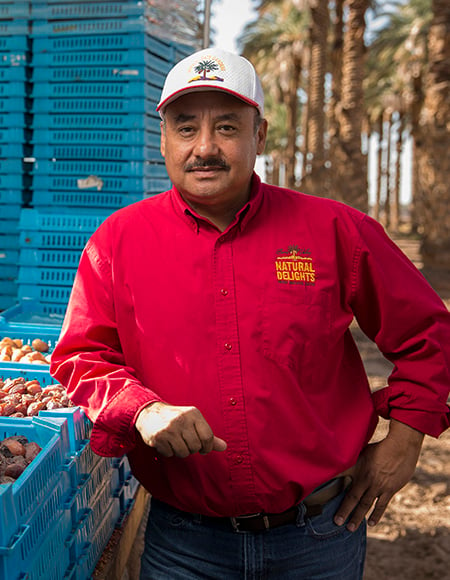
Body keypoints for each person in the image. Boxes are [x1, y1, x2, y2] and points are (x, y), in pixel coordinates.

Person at [50, 47, 450, 579]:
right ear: (164, 139)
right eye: (187, 128)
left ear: (259, 136)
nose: (206, 148)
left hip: (320, 537)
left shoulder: (335, 232)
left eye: (228, 127)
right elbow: (82, 356)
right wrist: (143, 409)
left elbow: (428, 332)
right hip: (183, 546)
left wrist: (406, 439)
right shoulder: (117, 244)